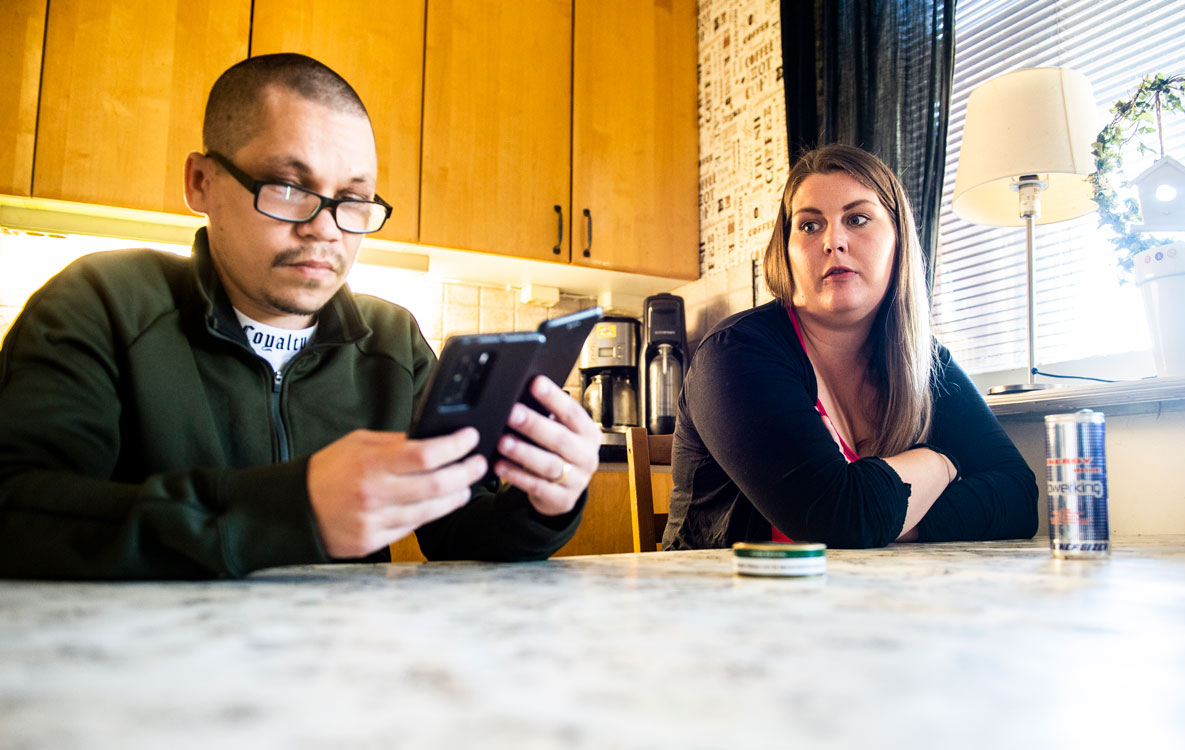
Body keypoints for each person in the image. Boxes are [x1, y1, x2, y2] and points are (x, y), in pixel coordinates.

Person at [0, 53, 600, 579]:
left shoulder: (394, 341)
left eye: (355, 201)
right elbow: (19, 512)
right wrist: (291, 509)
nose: (324, 227)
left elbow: (459, 530)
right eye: (288, 187)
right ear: (201, 181)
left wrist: (543, 504)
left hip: (338, 676)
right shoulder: (103, 302)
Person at [663, 144, 1038, 550]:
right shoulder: (734, 356)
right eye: (809, 226)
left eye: (857, 219)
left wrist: (885, 518)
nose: (833, 241)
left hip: (859, 598)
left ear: (898, 241)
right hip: (719, 601)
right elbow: (839, 520)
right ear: (784, 252)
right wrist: (944, 462)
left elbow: (1019, 499)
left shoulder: (922, 360)